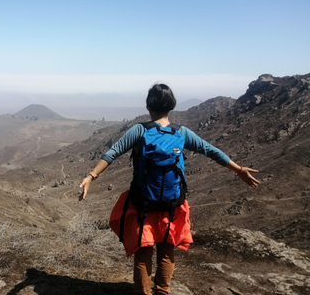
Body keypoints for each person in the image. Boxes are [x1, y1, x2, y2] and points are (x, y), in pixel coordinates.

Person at [79, 83, 260, 295]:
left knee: (143, 253)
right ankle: (163, 292)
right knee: (166, 251)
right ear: (171, 105)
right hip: (173, 205)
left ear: (148, 106)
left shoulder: (139, 130)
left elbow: (113, 152)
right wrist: (238, 170)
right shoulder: (181, 133)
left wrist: (91, 176)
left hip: (144, 204)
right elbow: (210, 150)